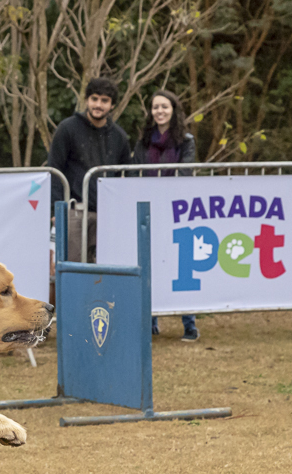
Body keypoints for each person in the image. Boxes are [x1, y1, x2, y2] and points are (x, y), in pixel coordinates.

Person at [132, 89, 199, 342]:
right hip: (149, 210)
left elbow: (186, 173)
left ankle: (189, 323)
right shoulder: (143, 141)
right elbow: (136, 172)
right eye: (155, 107)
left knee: (181, 265)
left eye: (165, 106)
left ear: (174, 110)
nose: (160, 111)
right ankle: (150, 319)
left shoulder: (186, 140)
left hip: (178, 211)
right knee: (149, 262)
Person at [47, 77, 132, 263]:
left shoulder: (120, 137)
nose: (98, 105)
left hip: (107, 215)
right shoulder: (67, 129)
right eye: (94, 99)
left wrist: (121, 212)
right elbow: (54, 169)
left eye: (104, 100)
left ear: (112, 105)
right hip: (73, 212)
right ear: (87, 100)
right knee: (72, 268)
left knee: (103, 269)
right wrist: (56, 210)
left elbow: (124, 178)